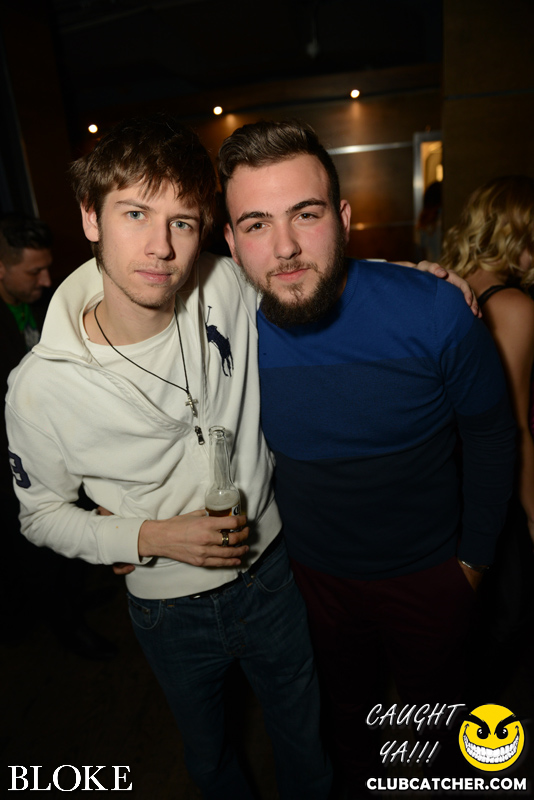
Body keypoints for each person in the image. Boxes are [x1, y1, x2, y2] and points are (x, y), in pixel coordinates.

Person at [5, 116, 331, 800]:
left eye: (182, 222)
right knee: (210, 760)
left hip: (273, 573)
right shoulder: (40, 386)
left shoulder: (225, 284)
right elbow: (39, 515)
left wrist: (421, 278)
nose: (161, 247)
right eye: (135, 214)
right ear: (90, 218)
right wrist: (145, 537)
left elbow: (305, 275)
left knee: (307, 741)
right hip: (167, 608)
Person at [217, 120, 517, 795]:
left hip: (433, 576)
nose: (286, 247)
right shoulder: (226, 333)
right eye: (257, 224)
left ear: (344, 219)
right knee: (346, 728)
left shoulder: (435, 312)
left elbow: (493, 435)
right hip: (308, 585)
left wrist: (474, 562)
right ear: (231, 243)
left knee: (439, 742)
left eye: (307, 214)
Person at [0, 214, 115, 659]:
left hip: (67, 446)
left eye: (47, 268)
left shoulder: (48, 304)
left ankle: (74, 600)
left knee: (73, 538)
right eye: (34, 272)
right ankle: (65, 626)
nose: (47, 280)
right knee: (37, 554)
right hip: (17, 462)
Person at [441, 176, 534, 696]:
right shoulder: (515, 306)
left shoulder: (444, 289)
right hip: (496, 485)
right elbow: (516, 429)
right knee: (507, 619)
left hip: (446, 484)